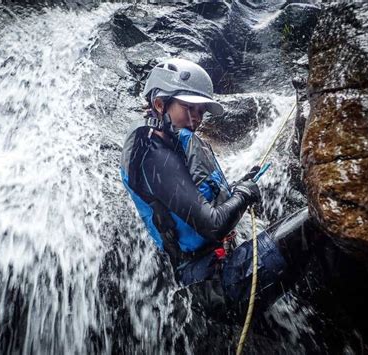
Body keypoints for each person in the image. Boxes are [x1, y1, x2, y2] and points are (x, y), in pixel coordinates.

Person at [120, 58, 299, 306]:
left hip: (214, 271)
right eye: (188, 108)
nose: (196, 119)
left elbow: (195, 201)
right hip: (212, 284)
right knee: (316, 223)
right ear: (160, 104)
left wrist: (238, 188)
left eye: (201, 111)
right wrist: (244, 194)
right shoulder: (153, 155)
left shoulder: (166, 144)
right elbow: (213, 225)